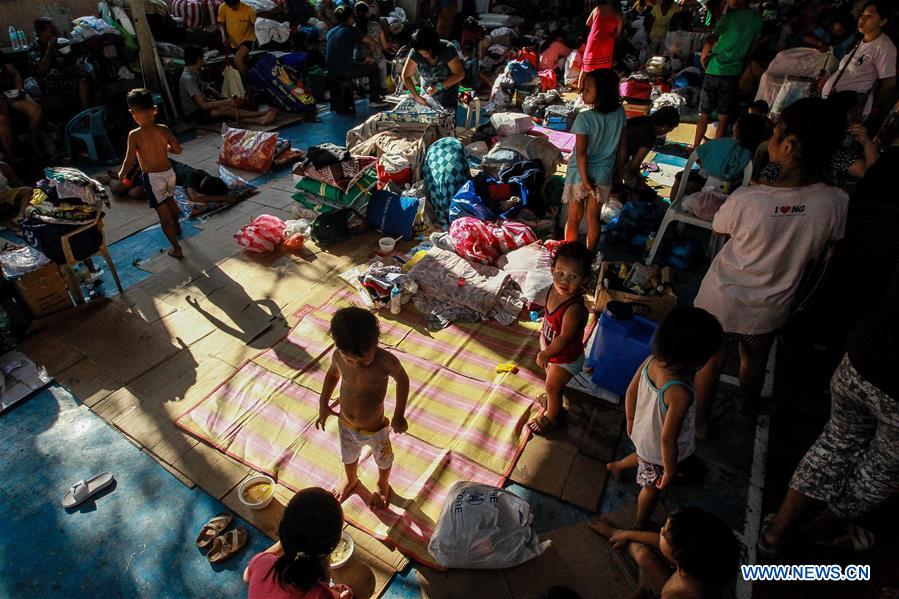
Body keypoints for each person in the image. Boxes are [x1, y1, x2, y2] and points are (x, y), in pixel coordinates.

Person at [692, 98, 849, 438]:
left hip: (721, 300)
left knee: (710, 360)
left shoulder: (749, 200)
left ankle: (700, 422)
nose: (772, 139)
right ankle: (748, 405)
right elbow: (825, 246)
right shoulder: (836, 202)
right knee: (755, 361)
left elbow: (719, 227)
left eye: (776, 134)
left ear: (789, 146)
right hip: (770, 306)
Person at [758, 256, 898, 556]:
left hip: (863, 360)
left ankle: (777, 530)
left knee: (835, 443)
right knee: (882, 467)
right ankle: (824, 526)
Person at [606, 308, 724, 529]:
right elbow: (668, 439)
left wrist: (631, 422)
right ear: (697, 359)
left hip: (642, 433)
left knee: (643, 457)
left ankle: (616, 466)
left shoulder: (652, 360)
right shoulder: (680, 393)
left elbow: (630, 391)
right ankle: (640, 523)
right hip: (660, 451)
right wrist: (669, 471)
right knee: (651, 489)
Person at [316, 307, 409, 509]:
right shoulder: (338, 357)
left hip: (376, 429)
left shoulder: (386, 362)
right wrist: (323, 404)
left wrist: (399, 414)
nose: (357, 363)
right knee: (348, 456)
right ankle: (351, 479)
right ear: (338, 346)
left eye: (364, 358)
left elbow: (402, 379)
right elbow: (332, 375)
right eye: (350, 359)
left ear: (376, 344)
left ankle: (382, 484)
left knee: (383, 460)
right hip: (346, 424)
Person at [589, 507, 739, 599]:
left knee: (641, 552)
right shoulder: (708, 564)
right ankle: (643, 590)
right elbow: (664, 544)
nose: (660, 531)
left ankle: (644, 592)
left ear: (677, 557)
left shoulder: (675, 596)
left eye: (664, 533)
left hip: (667, 592)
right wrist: (625, 534)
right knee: (642, 554)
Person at [527, 241, 592, 435]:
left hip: (565, 358)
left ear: (584, 279)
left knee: (553, 387)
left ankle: (552, 417)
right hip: (553, 353)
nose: (565, 281)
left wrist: (546, 353)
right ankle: (552, 401)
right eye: (560, 273)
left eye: (573, 276)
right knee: (550, 381)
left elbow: (563, 338)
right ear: (552, 269)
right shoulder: (553, 289)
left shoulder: (574, 309)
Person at [243, 487, 353, 599]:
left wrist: (285, 541)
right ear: (334, 544)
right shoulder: (320, 594)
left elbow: (247, 577)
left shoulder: (261, 562)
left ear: (283, 530)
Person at [563, 69, 626, 250]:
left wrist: (585, 180)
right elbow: (623, 146)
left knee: (574, 217)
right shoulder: (620, 114)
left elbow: (581, 154)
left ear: (603, 93)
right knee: (593, 218)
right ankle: (590, 256)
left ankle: (570, 253)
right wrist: (620, 169)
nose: (582, 93)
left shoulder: (584, 118)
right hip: (603, 173)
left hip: (579, 173)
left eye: (587, 89)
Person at [118, 89, 184, 259]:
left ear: (133, 113)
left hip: (153, 178)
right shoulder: (163, 129)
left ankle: (176, 248)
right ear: (155, 109)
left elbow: (129, 159)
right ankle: (177, 228)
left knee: (164, 217)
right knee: (170, 201)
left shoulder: (135, 135)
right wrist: (165, 148)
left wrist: (122, 174)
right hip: (170, 173)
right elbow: (177, 150)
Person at [692, 0, 763, 149]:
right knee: (723, 117)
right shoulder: (757, 20)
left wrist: (703, 57)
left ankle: (695, 148)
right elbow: (752, 48)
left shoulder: (729, 17)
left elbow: (711, 39)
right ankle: (716, 151)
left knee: (704, 114)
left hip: (714, 69)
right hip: (733, 72)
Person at [822, 1, 896, 130]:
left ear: (882, 21)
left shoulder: (884, 47)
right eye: (862, 14)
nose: (862, 18)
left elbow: (889, 82)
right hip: (834, 103)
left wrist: (875, 106)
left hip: (849, 109)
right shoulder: (861, 41)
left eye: (869, 16)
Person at [672, 111, 770, 198]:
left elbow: (703, 159)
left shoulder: (724, 146)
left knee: (681, 176)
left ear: (737, 129)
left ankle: (675, 203)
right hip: (732, 194)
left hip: (709, 186)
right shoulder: (754, 154)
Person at [179, 46, 276, 125]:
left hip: (201, 108)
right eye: (202, 58)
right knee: (224, 109)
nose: (203, 61)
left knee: (229, 107)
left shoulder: (194, 72)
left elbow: (204, 90)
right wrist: (227, 101)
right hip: (194, 114)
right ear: (198, 59)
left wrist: (215, 93)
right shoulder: (188, 78)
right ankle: (261, 114)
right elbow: (203, 105)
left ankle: (258, 118)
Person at [325, 6, 387, 115]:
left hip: (331, 71)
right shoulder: (351, 30)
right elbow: (371, 42)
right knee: (374, 68)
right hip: (344, 71)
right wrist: (370, 56)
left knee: (358, 63)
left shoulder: (330, 31)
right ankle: (374, 100)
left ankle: (360, 90)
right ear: (350, 18)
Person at [31, 18, 94, 109]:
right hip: (46, 83)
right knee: (83, 83)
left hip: (62, 76)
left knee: (91, 79)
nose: (55, 33)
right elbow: (42, 70)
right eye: (51, 31)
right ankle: (87, 116)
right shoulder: (35, 47)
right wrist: (50, 49)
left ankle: (94, 114)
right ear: (41, 33)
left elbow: (63, 64)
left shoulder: (56, 43)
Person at [403, 26, 466, 113]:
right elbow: (406, 76)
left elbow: (460, 74)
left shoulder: (447, 49)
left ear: (433, 47)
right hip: (426, 100)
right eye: (421, 53)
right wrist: (416, 96)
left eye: (425, 53)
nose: (424, 55)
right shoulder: (415, 53)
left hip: (448, 100)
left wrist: (438, 86)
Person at [621, 106, 681, 189]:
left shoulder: (643, 119)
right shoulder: (650, 135)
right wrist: (639, 179)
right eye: (670, 129)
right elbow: (634, 165)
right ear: (665, 127)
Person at [0, 51, 44, 161]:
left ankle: (31, 145)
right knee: (2, 117)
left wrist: (19, 90)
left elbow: (15, 74)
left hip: (9, 93)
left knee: (36, 111)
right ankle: (11, 159)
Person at [580, 0, 622, 86]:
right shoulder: (617, 15)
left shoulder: (597, 9)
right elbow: (618, 33)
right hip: (607, 43)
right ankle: (601, 90)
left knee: (585, 68)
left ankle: (580, 89)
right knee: (604, 70)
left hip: (593, 40)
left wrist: (597, 26)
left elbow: (588, 23)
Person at [355, 2, 388, 92]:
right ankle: (383, 87)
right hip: (375, 60)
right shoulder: (376, 25)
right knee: (382, 60)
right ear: (368, 13)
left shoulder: (353, 27)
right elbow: (384, 46)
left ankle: (360, 85)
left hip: (359, 62)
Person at [218, 0, 257, 75]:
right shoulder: (223, 7)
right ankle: (247, 78)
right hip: (234, 41)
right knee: (241, 63)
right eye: (230, 6)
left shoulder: (248, 8)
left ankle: (248, 80)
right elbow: (221, 24)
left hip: (248, 38)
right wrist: (223, 36)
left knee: (237, 60)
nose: (232, 7)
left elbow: (254, 24)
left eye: (234, 5)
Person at [0, 161, 32, 230]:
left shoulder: (3, 166)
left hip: (5, 193)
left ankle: (20, 217)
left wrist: (33, 189)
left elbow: (15, 182)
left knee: (28, 190)